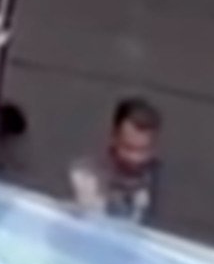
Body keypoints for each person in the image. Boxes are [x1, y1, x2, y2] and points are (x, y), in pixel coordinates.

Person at [68, 95, 163, 227]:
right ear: (114, 138)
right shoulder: (85, 177)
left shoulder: (155, 175)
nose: (136, 159)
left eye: (144, 150)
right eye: (128, 148)